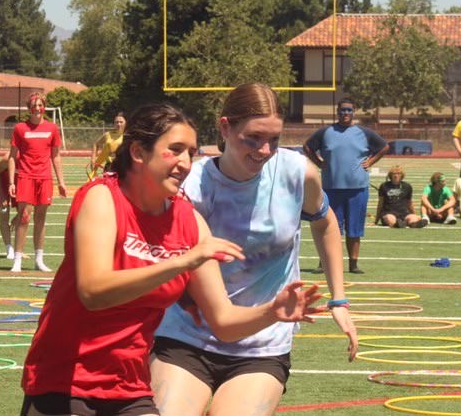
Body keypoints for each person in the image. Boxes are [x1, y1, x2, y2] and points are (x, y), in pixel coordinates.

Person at [19, 102, 323, 416]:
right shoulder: (102, 197)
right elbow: (93, 292)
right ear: (138, 152)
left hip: (128, 387)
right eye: (175, 150)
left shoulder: (188, 223)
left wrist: (271, 311)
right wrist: (180, 262)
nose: (185, 163)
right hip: (65, 381)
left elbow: (224, 323)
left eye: (191, 152)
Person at [151, 84, 359, 416]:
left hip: (262, 344)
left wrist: (339, 299)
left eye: (274, 140)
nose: (264, 150)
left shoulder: (297, 172)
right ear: (225, 128)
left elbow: (325, 223)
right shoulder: (193, 186)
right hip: (187, 335)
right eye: (253, 138)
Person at [303, 97, 388, 274]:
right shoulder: (326, 132)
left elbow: (384, 147)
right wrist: (319, 163)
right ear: (337, 112)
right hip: (331, 188)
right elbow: (307, 147)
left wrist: (370, 161)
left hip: (357, 188)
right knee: (328, 227)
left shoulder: (364, 133)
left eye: (349, 110)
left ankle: (353, 264)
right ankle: (323, 262)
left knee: (354, 227)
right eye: (342, 110)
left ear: (354, 111)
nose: (345, 113)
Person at [8, 93, 68, 273]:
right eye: (34, 105)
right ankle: (17, 259)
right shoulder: (20, 128)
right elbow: (12, 157)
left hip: (45, 178)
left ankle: (39, 259)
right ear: (29, 108)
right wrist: (11, 181)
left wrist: (61, 182)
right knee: (24, 217)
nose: (37, 108)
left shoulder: (52, 128)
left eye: (40, 105)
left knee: (41, 219)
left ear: (44, 107)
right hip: (26, 176)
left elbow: (56, 156)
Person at [0, 154, 19, 259]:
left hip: (20, 183)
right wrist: (2, 194)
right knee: (4, 213)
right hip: (2, 183)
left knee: (24, 216)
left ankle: (18, 250)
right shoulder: (9, 158)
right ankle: (9, 249)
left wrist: (20, 214)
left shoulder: (34, 158)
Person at [89, 112, 126, 180]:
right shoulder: (108, 135)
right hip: (110, 166)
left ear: (126, 123)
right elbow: (96, 144)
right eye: (116, 122)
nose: (119, 124)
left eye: (121, 122)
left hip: (123, 167)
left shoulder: (129, 136)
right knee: (108, 188)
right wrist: (93, 159)